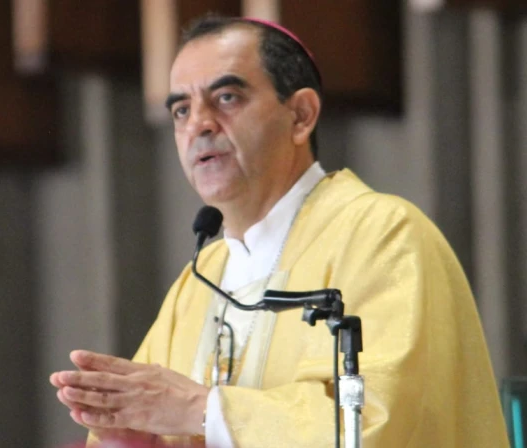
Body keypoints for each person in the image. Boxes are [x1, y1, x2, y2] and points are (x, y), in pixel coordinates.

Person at [50, 15, 509, 447]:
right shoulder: (200, 280)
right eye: (181, 110)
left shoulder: (385, 236)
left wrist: (200, 409)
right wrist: (131, 438)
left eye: (226, 98)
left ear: (301, 115)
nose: (199, 125)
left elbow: (373, 422)